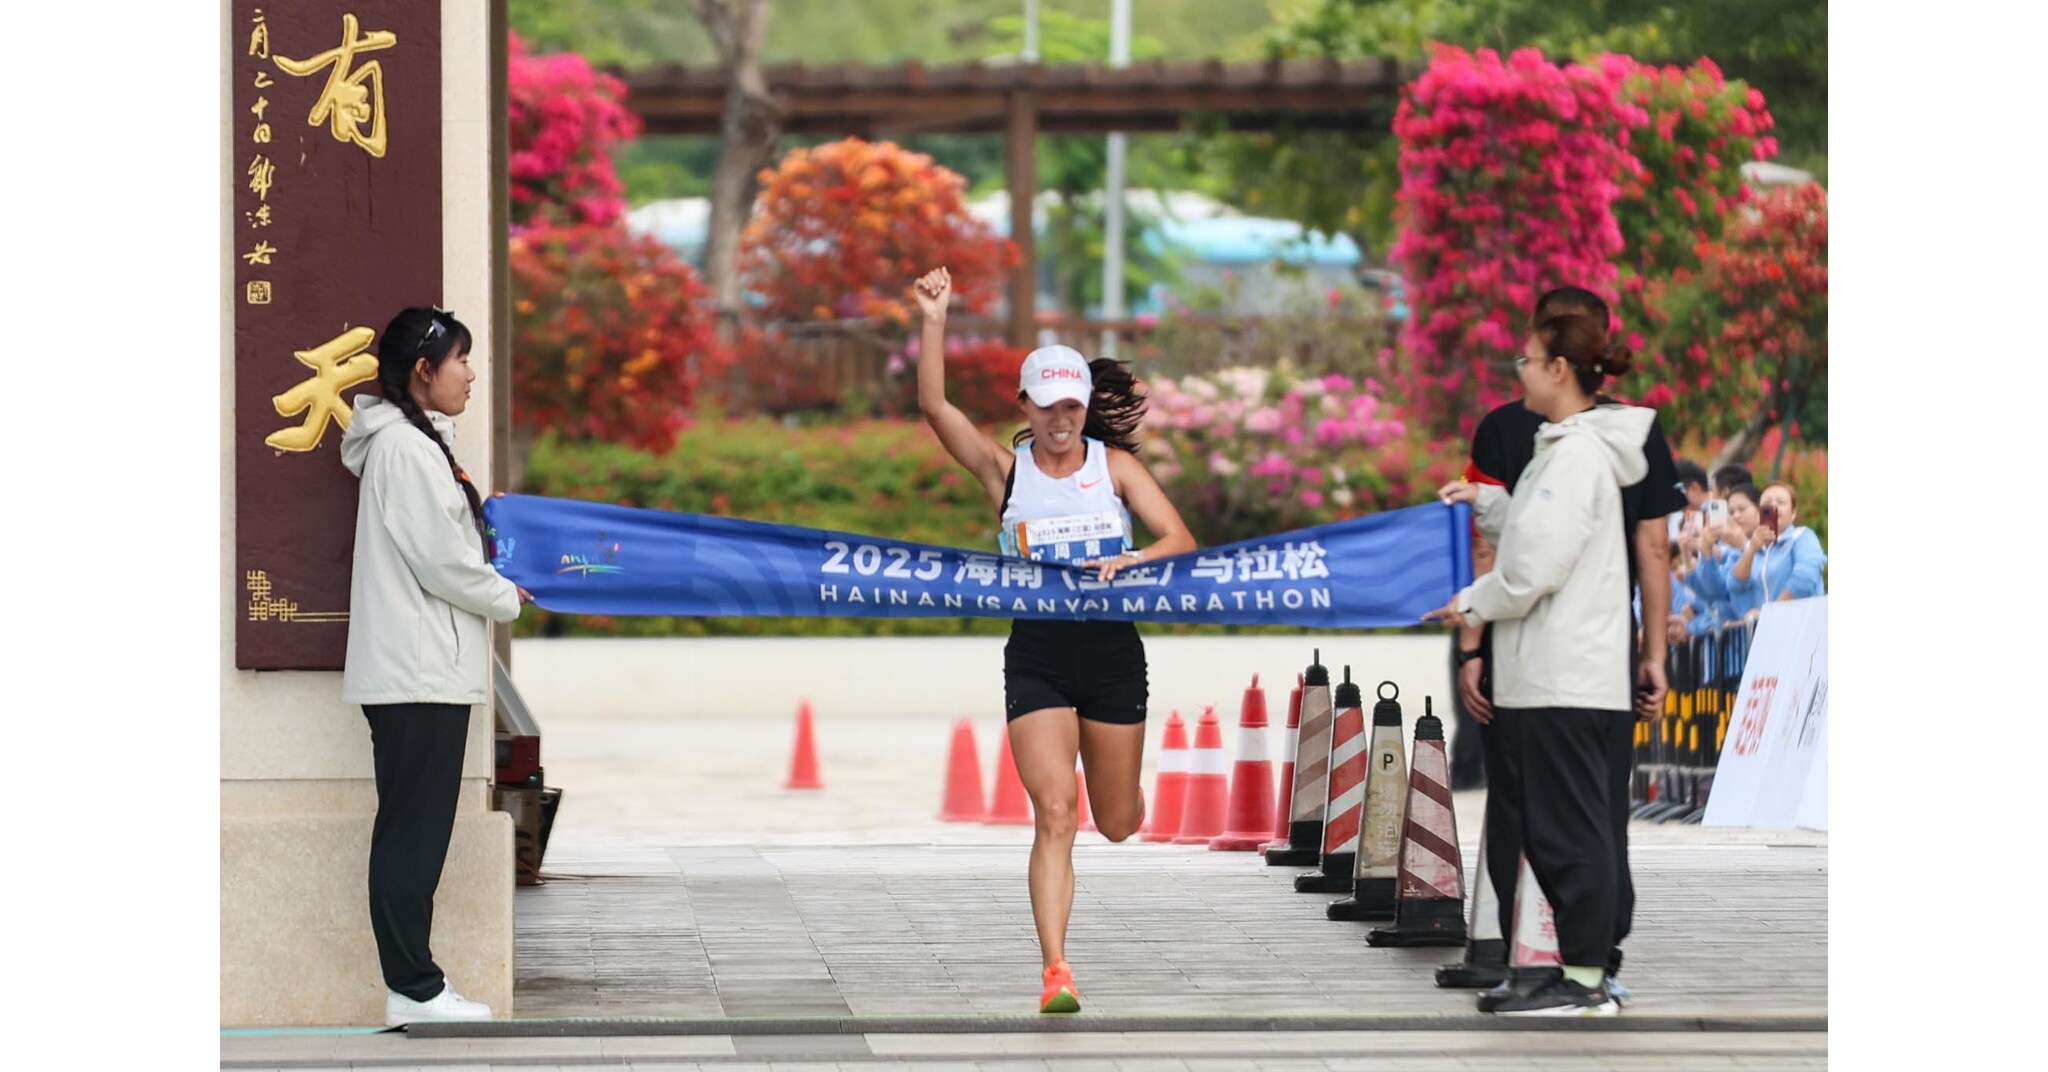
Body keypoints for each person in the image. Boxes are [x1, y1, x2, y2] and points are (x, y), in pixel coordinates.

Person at [912, 267, 1197, 1014]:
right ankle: (1056, 969)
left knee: (1116, 822)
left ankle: (1126, 787)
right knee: (1055, 814)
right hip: (1036, 655)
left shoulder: (1116, 468)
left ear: (1083, 404)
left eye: (1072, 404)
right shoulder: (1007, 473)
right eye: (1047, 406)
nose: (1061, 418)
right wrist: (934, 321)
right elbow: (935, 407)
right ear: (1026, 407)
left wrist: (1133, 558)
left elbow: (1179, 539)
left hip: (1111, 655)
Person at [1447, 286, 1680, 1006]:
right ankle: (1570, 971)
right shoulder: (1572, 451)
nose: (1519, 370)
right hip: (1563, 673)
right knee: (1564, 828)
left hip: (1565, 677)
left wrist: (1468, 605)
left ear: (1560, 370)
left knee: (1568, 832)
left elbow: (1529, 569)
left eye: (1528, 357)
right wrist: (1485, 504)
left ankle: (1582, 978)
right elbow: (1537, 531)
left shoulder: (1576, 455)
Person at [340, 306, 533, 1026]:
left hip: (422, 669)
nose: (472, 374)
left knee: (416, 831)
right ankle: (414, 990)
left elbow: (446, 539)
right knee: (411, 834)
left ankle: (412, 987)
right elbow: (440, 560)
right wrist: (503, 593)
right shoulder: (406, 450)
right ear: (424, 371)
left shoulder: (418, 445)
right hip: (416, 671)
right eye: (461, 361)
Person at [1727, 481, 1827, 614]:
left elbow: (1805, 579)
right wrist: (1750, 550)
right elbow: (1735, 585)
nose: (1774, 505)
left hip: (1802, 625)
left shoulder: (1802, 537)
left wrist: (1771, 614)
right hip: (1768, 629)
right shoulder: (1755, 546)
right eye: (1767, 502)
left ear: (1793, 513)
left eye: (1781, 502)